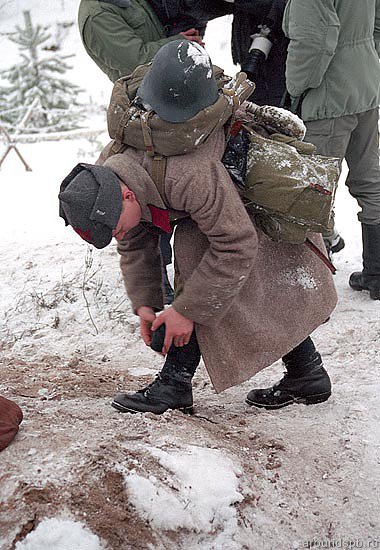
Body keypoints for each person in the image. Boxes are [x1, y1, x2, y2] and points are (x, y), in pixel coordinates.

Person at [59, 40, 337, 413]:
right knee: (212, 284)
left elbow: (236, 243)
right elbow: (135, 236)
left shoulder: (187, 173)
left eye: (112, 227)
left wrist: (185, 311)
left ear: (126, 197)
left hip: (242, 206)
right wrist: (146, 303)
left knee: (201, 271)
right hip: (215, 205)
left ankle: (174, 385)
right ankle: (307, 373)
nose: (116, 235)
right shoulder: (113, 168)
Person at [78, 0, 207, 303]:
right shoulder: (97, 13)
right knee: (145, 197)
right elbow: (130, 61)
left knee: (166, 192)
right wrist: (177, 43)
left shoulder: (123, 1)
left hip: (165, 102)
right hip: (144, 111)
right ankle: (158, 277)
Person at [283, 0, 380, 300]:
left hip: (328, 95)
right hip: (365, 84)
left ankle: (315, 287)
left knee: (314, 191)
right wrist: (366, 60)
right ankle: (377, 274)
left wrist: (294, 89)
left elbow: (313, 40)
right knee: (370, 179)